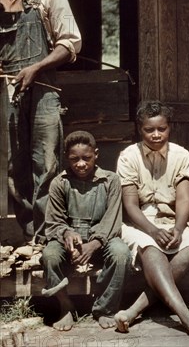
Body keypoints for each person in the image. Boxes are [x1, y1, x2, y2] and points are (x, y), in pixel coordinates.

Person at [0, 0, 82, 242]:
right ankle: (28, 232)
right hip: (5, 91)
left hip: (44, 86)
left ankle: (49, 234)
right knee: (13, 164)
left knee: (46, 161)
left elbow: (70, 43)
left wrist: (36, 67)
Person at [113, 100, 189, 343]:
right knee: (151, 249)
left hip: (174, 219)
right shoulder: (128, 157)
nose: (156, 135)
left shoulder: (181, 155)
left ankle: (134, 311)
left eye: (162, 129)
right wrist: (153, 230)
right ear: (140, 129)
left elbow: (183, 199)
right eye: (149, 130)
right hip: (142, 222)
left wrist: (179, 228)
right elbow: (130, 205)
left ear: (169, 128)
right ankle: (186, 318)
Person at [41, 131, 131, 331]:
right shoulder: (59, 182)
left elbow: (112, 220)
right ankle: (65, 306)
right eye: (75, 159)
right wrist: (66, 233)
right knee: (50, 255)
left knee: (121, 254)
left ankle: (105, 308)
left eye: (86, 158)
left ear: (96, 154)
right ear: (67, 158)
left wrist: (94, 244)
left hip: (102, 239)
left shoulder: (111, 181)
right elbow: (54, 221)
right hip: (68, 241)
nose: (81, 164)